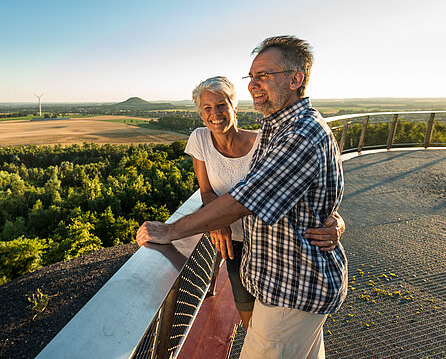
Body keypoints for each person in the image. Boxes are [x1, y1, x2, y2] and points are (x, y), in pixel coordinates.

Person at [137, 36, 347, 359]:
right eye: (252, 77)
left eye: (264, 75)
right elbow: (303, 195)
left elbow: (244, 199)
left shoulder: (300, 134)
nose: (253, 85)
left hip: (291, 291)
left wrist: (171, 230)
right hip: (279, 278)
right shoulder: (278, 128)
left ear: (296, 79)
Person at [187, 75, 345, 330]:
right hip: (235, 245)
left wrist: (337, 220)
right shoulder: (200, 139)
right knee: (250, 321)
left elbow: (306, 189)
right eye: (207, 108)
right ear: (201, 114)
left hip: (272, 245)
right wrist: (217, 222)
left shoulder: (266, 141)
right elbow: (206, 190)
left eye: (221, 105)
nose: (215, 113)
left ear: (234, 107)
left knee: (279, 326)